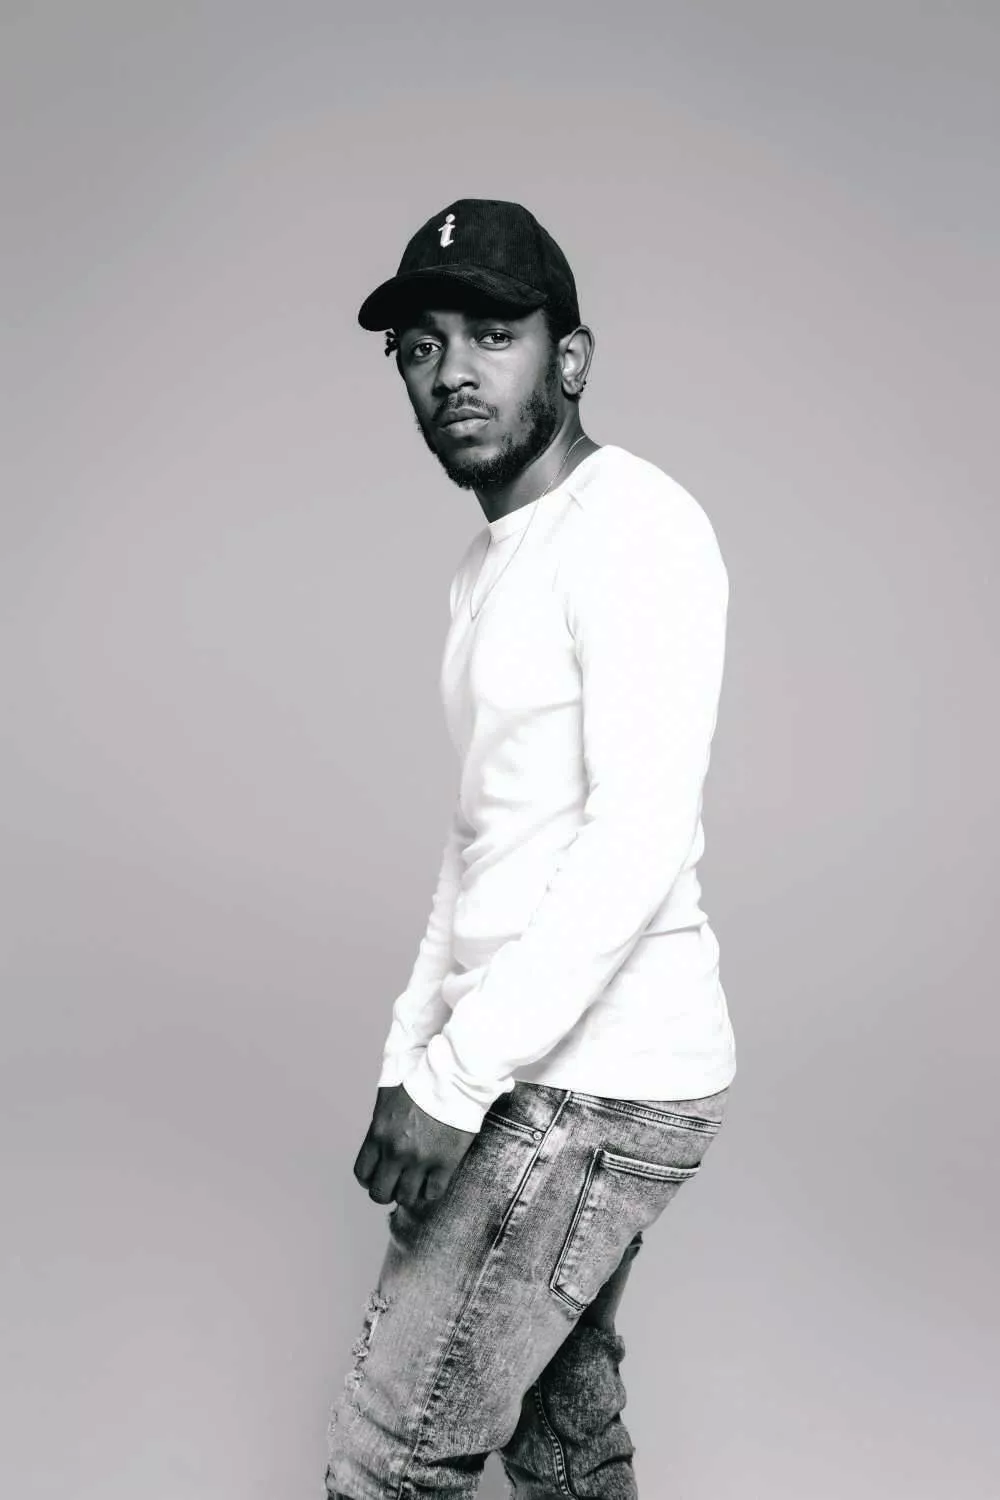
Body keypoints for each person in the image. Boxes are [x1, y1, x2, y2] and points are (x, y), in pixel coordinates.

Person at [325, 198, 737, 1500]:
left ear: (571, 357)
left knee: (391, 1461)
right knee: (565, 1454)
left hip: (595, 1078)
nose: (451, 372)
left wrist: (455, 1082)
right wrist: (412, 1057)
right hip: (527, 1061)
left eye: (492, 335)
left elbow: (638, 836)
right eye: (422, 346)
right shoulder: (486, 568)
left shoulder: (635, 526)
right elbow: (481, 844)